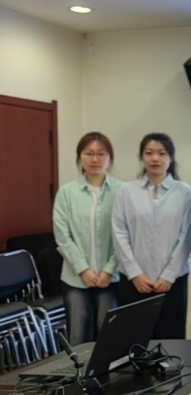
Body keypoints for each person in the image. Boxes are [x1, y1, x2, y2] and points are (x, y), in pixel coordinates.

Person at [112, 133, 191, 339]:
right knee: (134, 339)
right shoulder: (127, 191)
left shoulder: (183, 191)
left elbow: (187, 235)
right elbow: (119, 232)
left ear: (171, 158)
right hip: (134, 280)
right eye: (149, 153)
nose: (155, 158)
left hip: (173, 281)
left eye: (161, 153)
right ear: (142, 157)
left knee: (171, 340)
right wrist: (135, 274)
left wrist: (169, 276)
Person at [52, 132, 122, 346]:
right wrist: (83, 269)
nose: (95, 159)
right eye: (89, 153)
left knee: (109, 336)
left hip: (111, 278)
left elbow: (125, 235)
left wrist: (108, 269)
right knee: (78, 336)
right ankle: (80, 370)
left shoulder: (122, 191)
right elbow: (62, 236)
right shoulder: (66, 192)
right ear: (80, 157)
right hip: (75, 278)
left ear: (110, 158)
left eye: (101, 154)